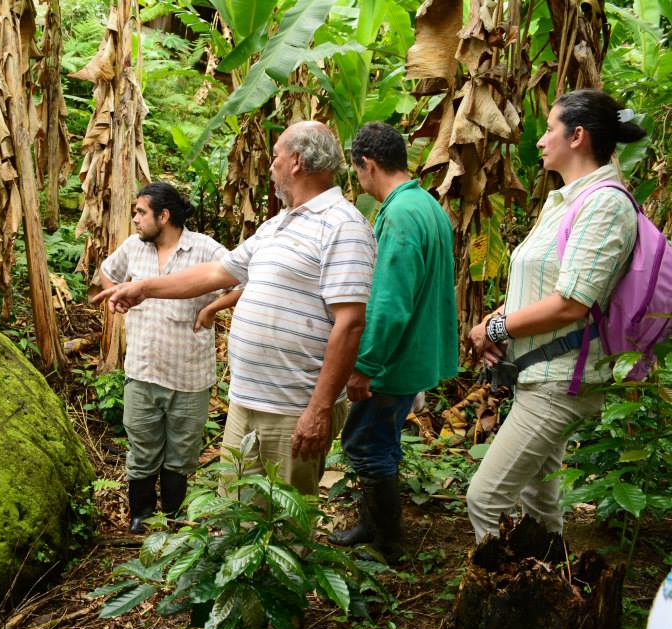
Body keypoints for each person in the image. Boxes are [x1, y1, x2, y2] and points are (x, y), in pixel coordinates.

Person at [94, 121, 377, 497]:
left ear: (296, 161)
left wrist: (320, 409)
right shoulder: (276, 226)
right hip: (246, 401)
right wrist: (144, 288)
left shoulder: (344, 226)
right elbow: (218, 272)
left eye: (275, 157)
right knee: (234, 509)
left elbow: (351, 323)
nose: (271, 166)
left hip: (294, 407)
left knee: (284, 514)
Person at [466, 89, 646, 542]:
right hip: (539, 372)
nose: (541, 140)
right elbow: (541, 286)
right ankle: (550, 578)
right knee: (539, 502)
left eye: (550, 130)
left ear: (577, 136)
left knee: (484, 499)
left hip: (560, 379)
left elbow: (572, 302)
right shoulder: (565, 201)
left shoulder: (604, 204)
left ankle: (497, 586)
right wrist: (494, 322)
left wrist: (497, 327)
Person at [327, 122, 458, 561]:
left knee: (364, 444)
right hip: (414, 352)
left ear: (367, 164)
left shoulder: (401, 214)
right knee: (379, 441)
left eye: (356, 171)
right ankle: (372, 526)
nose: (358, 180)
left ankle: (388, 543)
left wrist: (365, 365)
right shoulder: (425, 204)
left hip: (395, 358)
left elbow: (390, 302)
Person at [100, 182, 238, 533]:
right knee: (142, 449)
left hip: (188, 375)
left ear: (164, 216)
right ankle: (141, 516)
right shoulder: (134, 247)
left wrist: (212, 309)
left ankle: (173, 520)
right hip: (142, 370)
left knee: (180, 454)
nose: (135, 219)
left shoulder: (205, 249)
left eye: (140, 212)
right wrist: (116, 295)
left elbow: (241, 281)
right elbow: (108, 271)